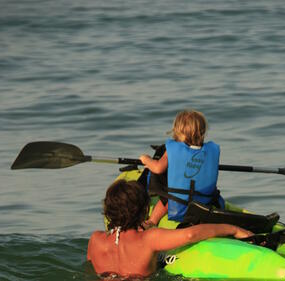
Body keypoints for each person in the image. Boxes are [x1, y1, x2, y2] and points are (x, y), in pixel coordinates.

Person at [87, 179, 253, 278]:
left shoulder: (95, 240)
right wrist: (233, 229)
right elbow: (190, 235)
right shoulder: (149, 239)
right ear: (144, 210)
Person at [139, 109, 224, 226]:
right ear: (203, 132)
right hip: (204, 201)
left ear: (177, 131)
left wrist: (146, 159)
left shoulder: (173, 149)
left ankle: (152, 221)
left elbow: (158, 168)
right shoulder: (209, 151)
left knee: (167, 198)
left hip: (178, 202)